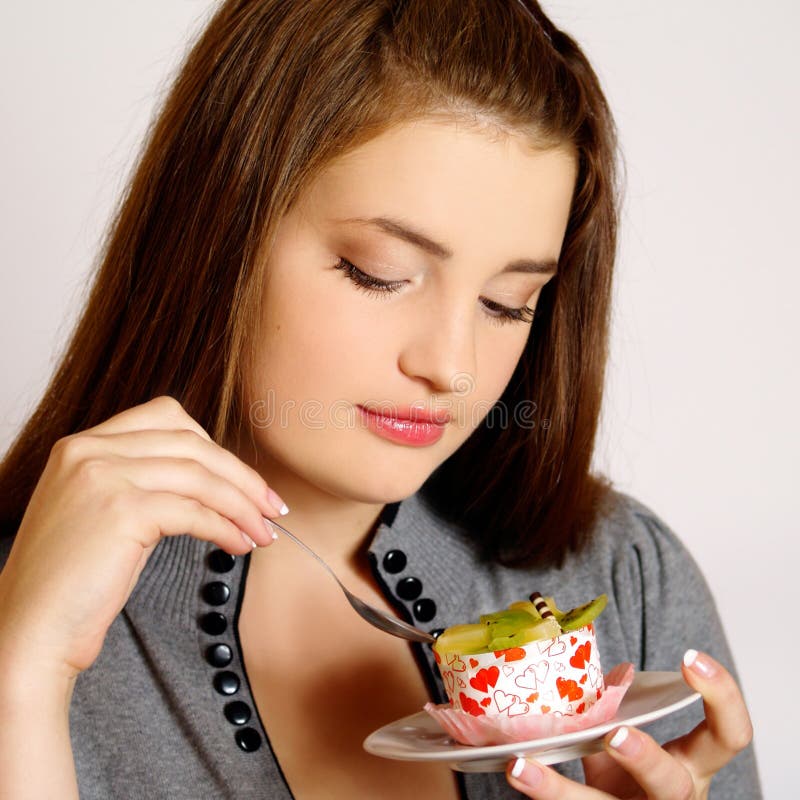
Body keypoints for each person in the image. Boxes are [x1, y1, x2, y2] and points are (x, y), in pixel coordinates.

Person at [0, 1, 760, 797]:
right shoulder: (31, 618)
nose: (452, 368)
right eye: (379, 273)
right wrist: (22, 679)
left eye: (507, 304)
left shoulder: (625, 574)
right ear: (220, 231)